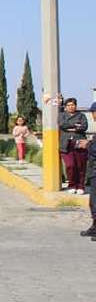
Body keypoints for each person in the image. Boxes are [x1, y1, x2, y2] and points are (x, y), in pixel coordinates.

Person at [59, 98, 88, 194]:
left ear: (76, 106)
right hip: (66, 144)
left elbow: (84, 126)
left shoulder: (81, 115)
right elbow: (62, 125)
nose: (71, 107)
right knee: (70, 165)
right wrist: (76, 126)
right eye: (68, 105)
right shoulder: (62, 115)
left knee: (81, 166)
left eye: (73, 105)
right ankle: (72, 185)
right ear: (66, 107)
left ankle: (80, 186)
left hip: (79, 143)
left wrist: (71, 128)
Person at [79, 102, 96, 240]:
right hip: (93, 169)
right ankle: (94, 226)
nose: (93, 115)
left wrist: (88, 144)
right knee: (93, 201)